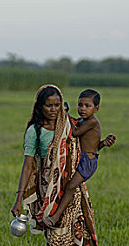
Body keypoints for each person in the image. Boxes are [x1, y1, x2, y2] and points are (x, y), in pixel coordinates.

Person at [11, 85, 109, 246]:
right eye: (49, 106)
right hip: (49, 191)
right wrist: (19, 197)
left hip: (72, 189)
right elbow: (28, 164)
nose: (54, 110)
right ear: (40, 106)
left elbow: (88, 143)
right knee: (55, 234)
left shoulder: (70, 124)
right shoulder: (34, 132)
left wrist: (103, 144)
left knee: (74, 233)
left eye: (57, 105)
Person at [44, 89, 115, 227]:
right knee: (65, 185)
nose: (83, 109)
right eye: (80, 105)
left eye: (87, 106)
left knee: (70, 187)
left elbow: (75, 133)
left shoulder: (92, 122)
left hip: (87, 162)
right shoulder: (82, 120)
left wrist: (65, 114)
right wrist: (103, 143)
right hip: (80, 158)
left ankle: (55, 217)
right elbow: (93, 145)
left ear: (96, 108)